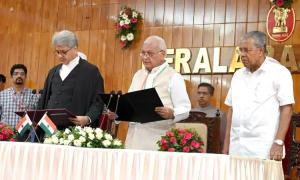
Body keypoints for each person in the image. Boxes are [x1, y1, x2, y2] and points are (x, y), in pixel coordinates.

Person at [108, 35, 191, 150]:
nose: (145, 57)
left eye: (150, 54)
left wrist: (172, 113)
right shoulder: (138, 75)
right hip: (133, 139)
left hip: (158, 142)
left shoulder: (174, 77)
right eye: (143, 53)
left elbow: (185, 108)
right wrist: (118, 114)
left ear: (163, 54)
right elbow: (129, 105)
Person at [222, 31, 294, 160]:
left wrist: (278, 142)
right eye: (240, 50)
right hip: (237, 147)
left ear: (261, 50)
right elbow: (231, 110)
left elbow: (286, 109)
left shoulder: (279, 73)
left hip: (263, 148)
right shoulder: (238, 76)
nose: (242, 55)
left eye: (247, 50)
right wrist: (226, 145)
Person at [38, 30, 104, 128]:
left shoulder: (91, 71)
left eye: (64, 52)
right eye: (57, 52)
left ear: (75, 48)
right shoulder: (53, 72)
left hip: (75, 132)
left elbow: (98, 101)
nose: (60, 56)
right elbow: (44, 100)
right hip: (49, 129)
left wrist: (88, 118)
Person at [191, 82, 226, 150]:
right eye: (199, 93)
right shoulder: (190, 113)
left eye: (204, 93)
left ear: (211, 95)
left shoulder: (220, 114)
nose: (201, 96)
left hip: (212, 151)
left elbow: (223, 139)